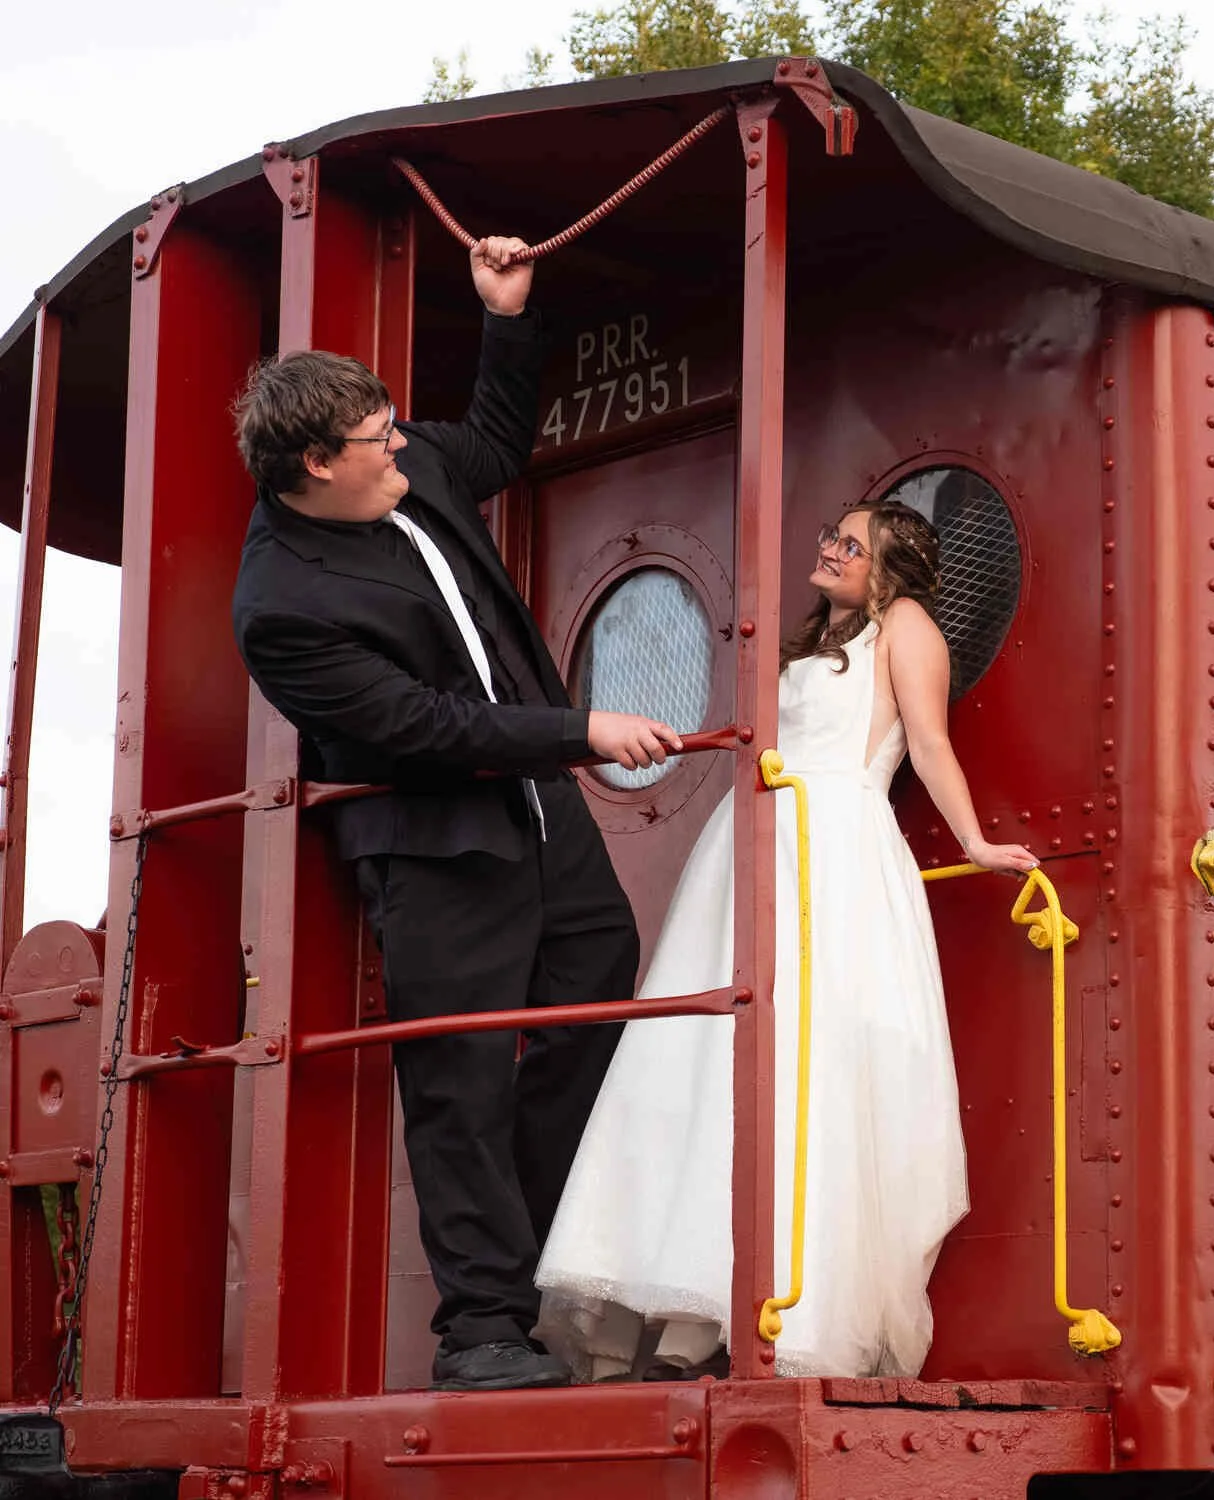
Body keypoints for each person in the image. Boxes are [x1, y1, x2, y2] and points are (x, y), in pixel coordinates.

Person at [230, 236, 682, 1392]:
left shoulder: (407, 462)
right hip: (433, 843)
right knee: (458, 1078)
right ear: (315, 465)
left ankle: (534, 1250)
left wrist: (506, 318)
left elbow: (489, 444)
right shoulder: (282, 606)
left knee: (597, 984)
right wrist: (580, 728)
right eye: (377, 439)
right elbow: (422, 728)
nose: (403, 446)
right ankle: (479, 1330)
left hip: (537, 808)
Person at [535, 500, 1036, 1380]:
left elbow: (928, 742)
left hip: (834, 848)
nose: (830, 549)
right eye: (833, 535)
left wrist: (975, 842)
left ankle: (728, 1325)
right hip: (751, 845)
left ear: (888, 569)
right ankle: (672, 1312)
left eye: (851, 544)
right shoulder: (812, 639)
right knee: (699, 1062)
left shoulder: (906, 627)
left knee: (806, 1068)